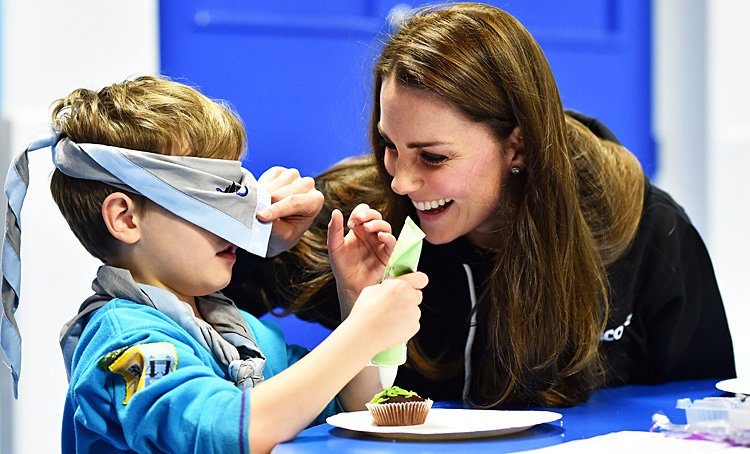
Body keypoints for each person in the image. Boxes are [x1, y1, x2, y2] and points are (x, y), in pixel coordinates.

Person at [225, 3, 736, 408]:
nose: (401, 181)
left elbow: (707, 408)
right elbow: (181, 291)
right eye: (390, 146)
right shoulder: (361, 221)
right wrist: (257, 237)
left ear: (518, 147)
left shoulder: (645, 229)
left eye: (433, 156)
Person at [0, 76, 427, 454]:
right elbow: (222, 434)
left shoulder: (248, 333)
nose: (235, 220)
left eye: (239, 195)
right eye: (208, 201)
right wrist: (362, 332)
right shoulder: (125, 341)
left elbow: (353, 406)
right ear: (125, 218)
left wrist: (355, 301)